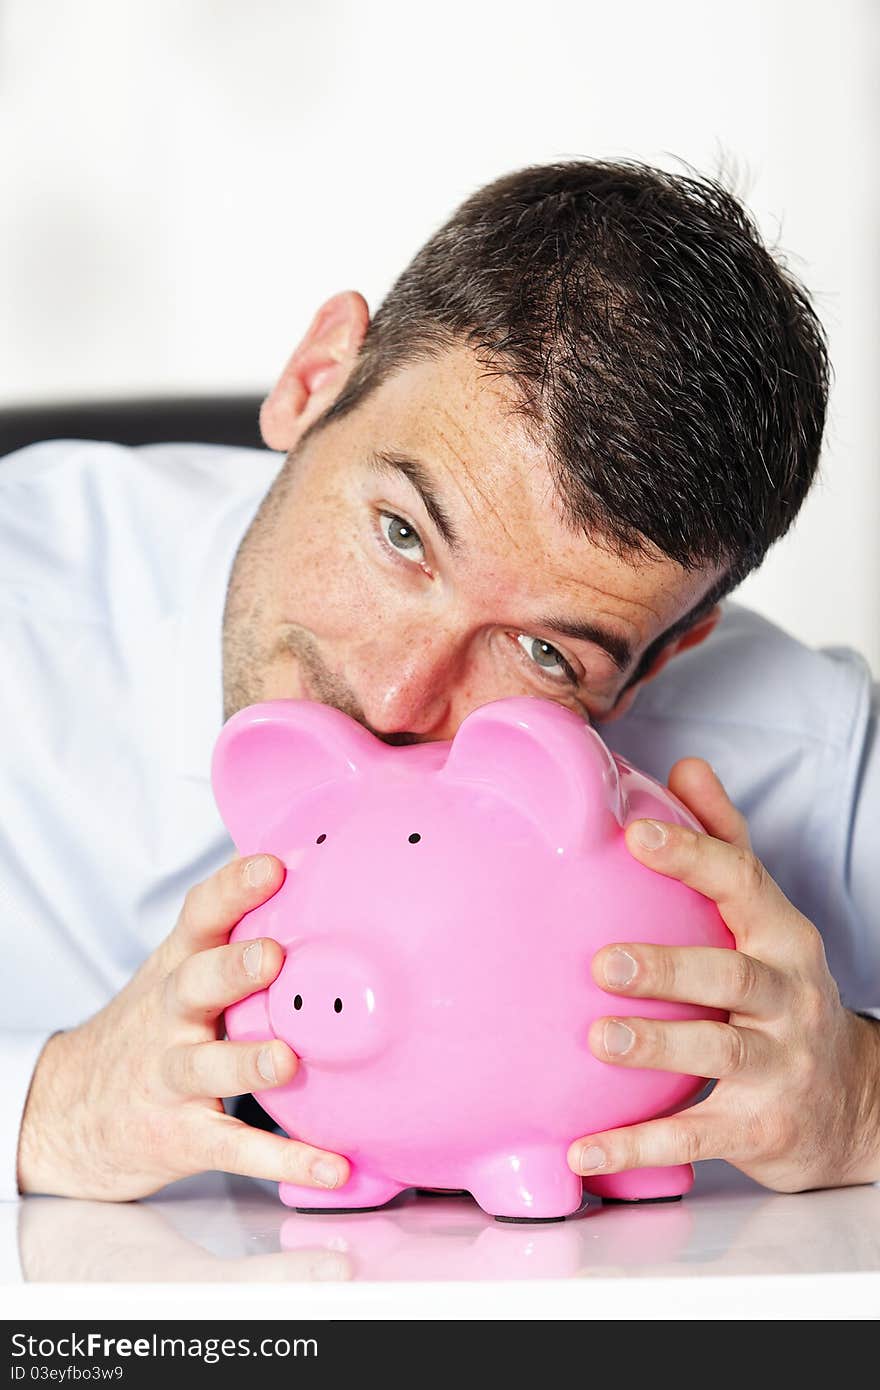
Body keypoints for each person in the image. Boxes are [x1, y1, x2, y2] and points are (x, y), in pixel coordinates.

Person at [2, 160, 878, 1209]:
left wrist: (861, 1101)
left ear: (670, 653)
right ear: (316, 377)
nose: (395, 699)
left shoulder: (803, 756)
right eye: (402, 534)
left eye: (546, 654)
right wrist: (51, 1104)